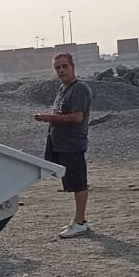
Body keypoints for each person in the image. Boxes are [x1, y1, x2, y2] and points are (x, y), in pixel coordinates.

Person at [34, 52, 92, 238]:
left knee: (78, 182)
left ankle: (80, 221)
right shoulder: (62, 89)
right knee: (68, 180)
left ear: (72, 66)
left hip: (73, 143)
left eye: (64, 66)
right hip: (59, 142)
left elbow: (77, 116)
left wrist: (48, 118)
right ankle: (78, 220)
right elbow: (60, 112)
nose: (61, 71)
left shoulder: (79, 88)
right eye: (57, 68)